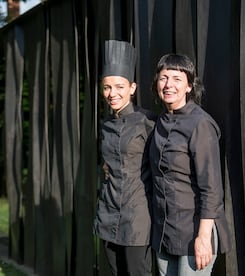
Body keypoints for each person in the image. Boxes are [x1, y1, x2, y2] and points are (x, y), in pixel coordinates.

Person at [149, 54, 231, 275]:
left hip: (193, 232)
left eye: (177, 78)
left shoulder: (200, 124)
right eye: (164, 78)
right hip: (165, 232)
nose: (168, 85)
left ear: (188, 86)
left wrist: (203, 237)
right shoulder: (160, 122)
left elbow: (211, 188)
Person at [93, 40, 156, 276]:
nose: (112, 93)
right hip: (108, 212)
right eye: (107, 87)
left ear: (132, 88)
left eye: (119, 87)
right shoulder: (106, 124)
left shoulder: (148, 121)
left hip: (137, 217)